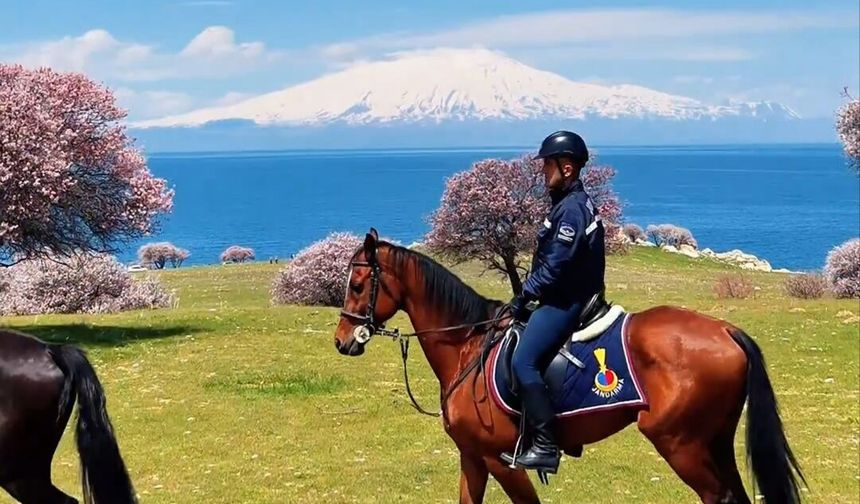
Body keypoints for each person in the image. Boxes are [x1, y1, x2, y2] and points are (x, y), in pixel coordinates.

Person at [500, 130, 606, 473]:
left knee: (523, 362)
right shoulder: (567, 204)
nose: (543, 171)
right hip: (563, 295)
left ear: (568, 168)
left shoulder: (572, 210)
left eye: (548, 165)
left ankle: (545, 444)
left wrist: (521, 299)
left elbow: (554, 269)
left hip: (566, 302)